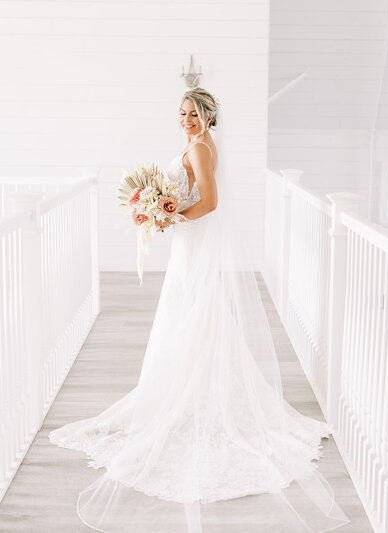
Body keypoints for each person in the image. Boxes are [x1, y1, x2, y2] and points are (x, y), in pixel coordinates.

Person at [49, 88, 350, 532]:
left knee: (193, 317)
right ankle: (190, 386)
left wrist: (167, 217)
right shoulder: (201, 145)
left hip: (193, 247)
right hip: (190, 249)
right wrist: (161, 209)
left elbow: (209, 203)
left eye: (194, 113)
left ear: (209, 116)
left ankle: (192, 395)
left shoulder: (201, 148)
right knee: (193, 318)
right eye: (182, 112)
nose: (186, 118)